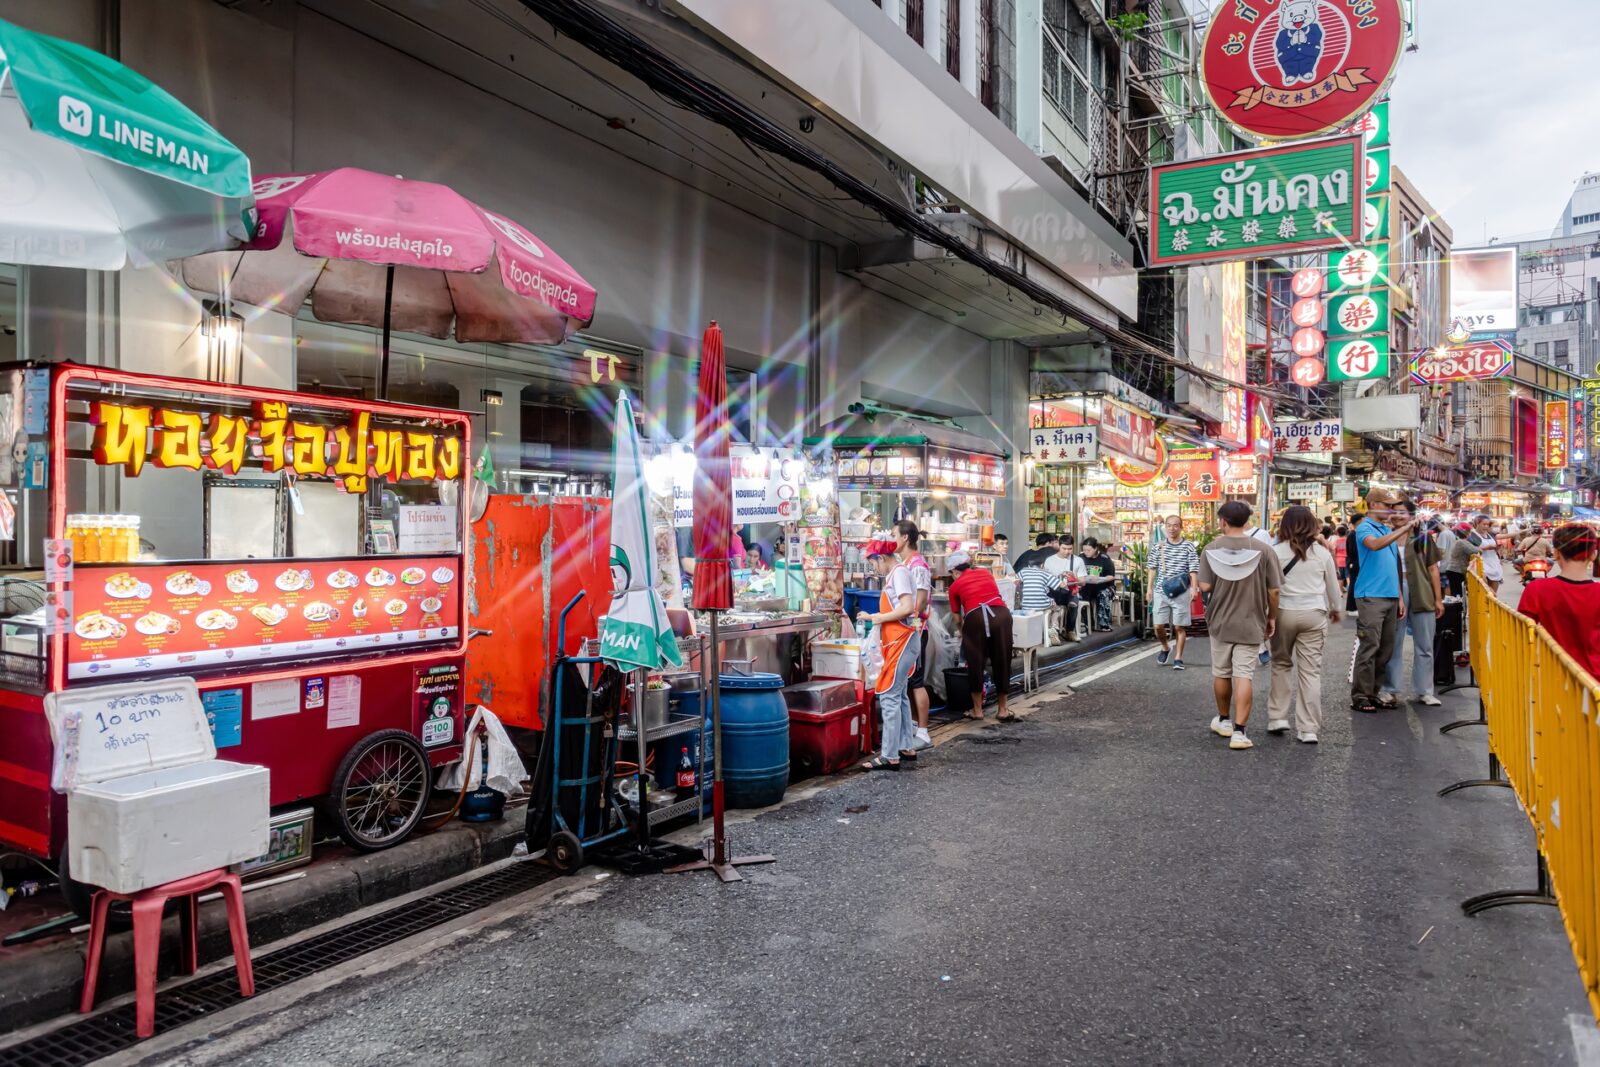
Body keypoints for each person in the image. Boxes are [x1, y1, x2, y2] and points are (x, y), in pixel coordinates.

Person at [1198, 500, 1283, 750]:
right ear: (1247, 522)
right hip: (1252, 619)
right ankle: (1240, 732)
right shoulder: (1264, 550)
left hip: (1220, 620)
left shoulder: (1211, 549)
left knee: (1221, 672)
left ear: (1223, 521)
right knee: (1244, 674)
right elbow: (1274, 590)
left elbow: (1205, 586)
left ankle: (1224, 720)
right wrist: (1271, 617)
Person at [1268, 505, 1341, 743]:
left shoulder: (1275, 551)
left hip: (1283, 613)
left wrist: (1266, 615)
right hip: (1313, 613)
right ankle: (1308, 729)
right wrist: (1335, 609)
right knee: (1310, 672)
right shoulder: (1322, 553)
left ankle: (1278, 717)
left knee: (1280, 664)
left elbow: (1268, 587)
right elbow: (1333, 586)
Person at [855, 540, 920, 771]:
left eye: (874, 564)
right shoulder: (897, 573)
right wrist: (875, 616)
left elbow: (907, 607)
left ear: (881, 558)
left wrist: (876, 618)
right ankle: (906, 747)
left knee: (890, 696)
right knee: (899, 695)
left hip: (902, 642)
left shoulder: (899, 573)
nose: (875, 569)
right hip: (901, 641)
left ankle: (890, 756)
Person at [1351, 490, 1415, 714]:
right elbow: (1374, 545)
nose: (1390, 510)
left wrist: (1400, 597)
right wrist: (1402, 530)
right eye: (1387, 505)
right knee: (1369, 646)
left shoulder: (1387, 530)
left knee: (1386, 649)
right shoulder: (1365, 527)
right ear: (1373, 504)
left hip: (1390, 596)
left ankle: (1373, 692)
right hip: (1370, 595)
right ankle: (1360, 696)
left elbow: (1393, 566)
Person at [1381, 501, 1445, 708]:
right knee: (1393, 643)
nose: (1397, 516)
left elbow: (1433, 569)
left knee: (1425, 644)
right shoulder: (1386, 537)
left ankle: (1425, 691)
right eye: (1394, 512)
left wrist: (1438, 599)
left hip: (1422, 591)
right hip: (1393, 592)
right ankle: (1390, 689)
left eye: (1402, 513)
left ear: (1411, 516)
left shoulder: (1422, 538)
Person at [1517, 524, 1600, 681]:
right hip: (1594, 682)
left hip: (1553, 678)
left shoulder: (1537, 589)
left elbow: (1521, 634)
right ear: (1593, 554)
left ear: (1556, 553)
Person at [946, 552, 1015, 722]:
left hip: (975, 617)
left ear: (954, 571)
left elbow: (957, 618)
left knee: (975, 663)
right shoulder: (985, 572)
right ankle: (1003, 709)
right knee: (1002, 661)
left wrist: (963, 632)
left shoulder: (954, 586)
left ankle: (977, 711)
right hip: (1002, 615)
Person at [896, 520, 935, 752]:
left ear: (905, 538)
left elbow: (919, 603)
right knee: (908, 681)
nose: (892, 539)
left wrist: (897, 615)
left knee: (917, 681)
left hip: (916, 629)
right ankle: (911, 726)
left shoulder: (918, 565)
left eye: (894, 535)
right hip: (905, 629)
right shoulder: (905, 563)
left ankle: (923, 732)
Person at [1149, 515, 1200, 670]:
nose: (1172, 528)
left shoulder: (1188, 546)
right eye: (1169, 525)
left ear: (1181, 527)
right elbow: (1152, 568)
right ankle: (1165, 647)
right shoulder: (1158, 546)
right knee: (1158, 625)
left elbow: (1193, 569)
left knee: (1179, 626)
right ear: (1165, 527)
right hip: (1161, 590)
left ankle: (1178, 658)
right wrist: (1149, 588)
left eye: (1175, 525)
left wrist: (1194, 588)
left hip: (1181, 591)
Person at [1080, 537, 1118, 629]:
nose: (1086, 552)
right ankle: (1088, 623)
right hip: (1087, 586)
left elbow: (1111, 576)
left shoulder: (1104, 558)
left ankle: (1103, 624)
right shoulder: (1081, 558)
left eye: (1089, 550)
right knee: (1080, 595)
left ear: (1095, 548)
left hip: (1105, 586)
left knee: (1103, 594)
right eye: (1084, 550)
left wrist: (1100, 579)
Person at [1441, 520, 1483, 598]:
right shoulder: (1462, 542)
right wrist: (1479, 548)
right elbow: (1477, 551)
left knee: (1457, 593)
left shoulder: (1459, 541)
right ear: (1467, 532)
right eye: (1470, 532)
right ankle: (1457, 605)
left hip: (1454, 570)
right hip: (1456, 571)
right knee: (1458, 595)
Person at [1480, 516, 1505, 595]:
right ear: (1477, 524)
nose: (1486, 526)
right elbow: (1472, 549)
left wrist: (1497, 548)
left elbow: (1506, 536)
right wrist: (1486, 548)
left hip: (1494, 564)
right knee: (1488, 591)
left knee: (1493, 592)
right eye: (1484, 524)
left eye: (1487, 524)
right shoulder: (1474, 535)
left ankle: (1493, 599)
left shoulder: (1491, 535)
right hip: (1482, 564)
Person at [1333, 524, 1350, 593]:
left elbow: (1334, 552)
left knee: (1340, 577)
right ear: (1345, 532)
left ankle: (1340, 592)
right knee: (1348, 576)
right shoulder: (1348, 540)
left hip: (1339, 561)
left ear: (1338, 533)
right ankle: (1350, 590)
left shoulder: (1336, 541)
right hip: (1347, 560)